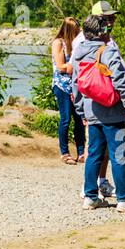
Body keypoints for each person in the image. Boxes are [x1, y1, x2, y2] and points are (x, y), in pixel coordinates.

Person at [71, 3, 125, 213]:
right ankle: (124, 199)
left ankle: (91, 196)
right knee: (118, 155)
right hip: (112, 110)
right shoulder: (108, 51)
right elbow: (121, 82)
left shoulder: (78, 53)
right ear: (102, 32)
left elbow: (75, 84)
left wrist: (81, 110)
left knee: (93, 154)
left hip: (91, 110)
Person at [51, 17, 85, 164]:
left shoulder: (76, 43)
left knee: (79, 119)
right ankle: (64, 152)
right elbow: (60, 66)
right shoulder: (58, 43)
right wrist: (74, 66)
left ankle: (82, 152)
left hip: (75, 85)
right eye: (76, 30)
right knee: (65, 119)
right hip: (62, 85)